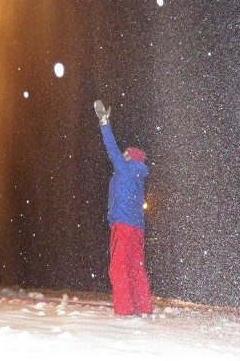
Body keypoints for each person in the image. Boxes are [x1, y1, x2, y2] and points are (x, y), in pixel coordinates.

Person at [93, 99, 153, 316]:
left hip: (122, 225)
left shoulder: (125, 168)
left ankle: (125, 310)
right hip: (137, 229)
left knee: (118, 268)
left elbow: (111, 147)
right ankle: (143, 307)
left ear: (131, 158)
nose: (123, 155)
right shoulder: (138, 175)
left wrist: (104, 122)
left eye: (126, 154)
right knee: (135, 267)